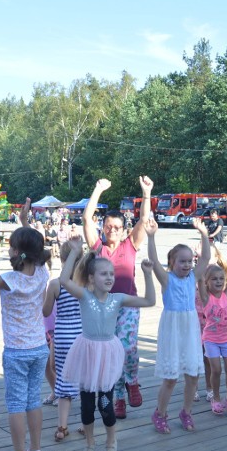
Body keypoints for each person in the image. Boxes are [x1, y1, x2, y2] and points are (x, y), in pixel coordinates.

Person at [60, 241, 156, 451]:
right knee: (86, 407)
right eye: (104, 274)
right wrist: (74, 254)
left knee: (105, 404)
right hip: (87, 354)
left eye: (111, 274)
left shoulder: (118, 299)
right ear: (92, 278)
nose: (110, 278)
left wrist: (148, 275)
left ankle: (111, 442)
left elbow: (150, 301)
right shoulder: (84, 296)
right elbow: (64, 281)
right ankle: (90, 444)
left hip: (106, 356)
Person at [0, 224, 51, 451]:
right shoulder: (43, 273)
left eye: (11, 246)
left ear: (17, 251)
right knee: (33, 399)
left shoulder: (10, 281)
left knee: (16, 405)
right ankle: (36, 449)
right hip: (40, 348)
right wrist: (25, 221)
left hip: (17, 352)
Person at [82, 176, 153, 420]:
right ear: (104, 227)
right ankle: (119, 396)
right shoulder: (97, 247)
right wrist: (97, 190)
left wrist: (146, 193)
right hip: (103, 307)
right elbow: (86, 219)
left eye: (117, 227)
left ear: (124, 229)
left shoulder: (130, 245)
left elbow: (144, 220)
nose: (112, 230)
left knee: (127, 346)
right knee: (113, 353)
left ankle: (132, 381)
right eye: (108, 226)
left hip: (127, 302)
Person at [147, 217, 210, 433]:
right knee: (171, 377)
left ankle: (186, 411)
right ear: (172, 263)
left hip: (190, 329)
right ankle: (160, 413)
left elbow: (207, 258)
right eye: (181, 261)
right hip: (172, 329)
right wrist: (151, 236)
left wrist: (203, 233)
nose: (186, 265)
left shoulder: (193, 277)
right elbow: (154, 261)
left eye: (189, 261)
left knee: (193, 374)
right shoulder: (167, 280)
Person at [42, 240, 85, 442]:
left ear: (62, 259)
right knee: (85, 381)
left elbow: (46, 311)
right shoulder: (87, 283)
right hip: (83, 334)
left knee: (63, 380)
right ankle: (87, 424)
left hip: (62, 336)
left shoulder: (55, 284)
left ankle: (62, 426)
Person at [199, 247, 227, 414]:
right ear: (207, 282)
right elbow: (200, 279)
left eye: (221, 279)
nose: (218, 282)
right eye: (214, 279)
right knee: (216, 369)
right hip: (210, 338)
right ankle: (216, 398)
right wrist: (202, 261)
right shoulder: (205, 297)